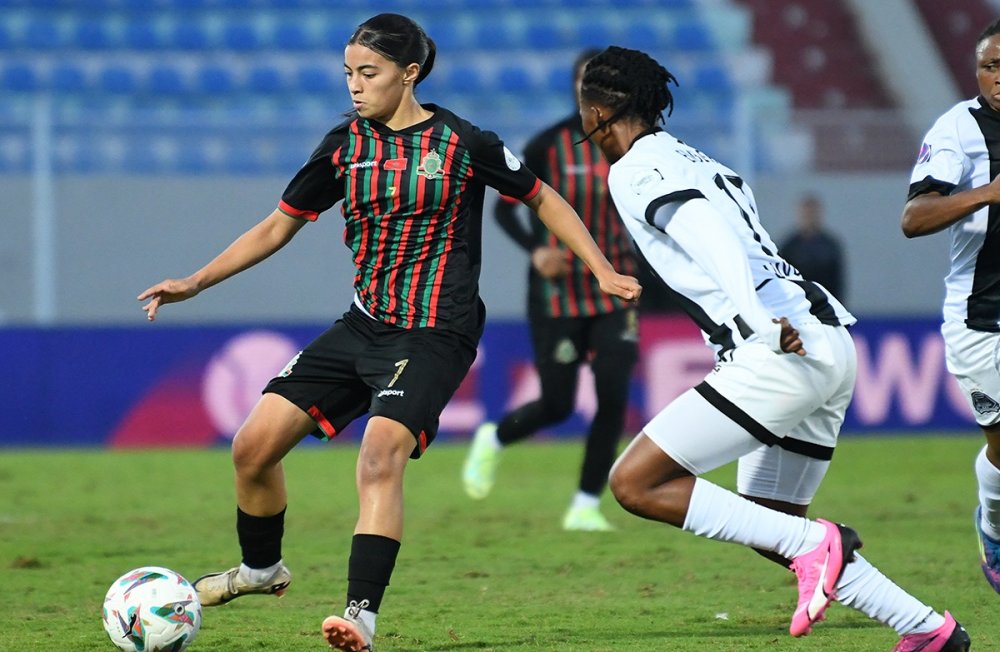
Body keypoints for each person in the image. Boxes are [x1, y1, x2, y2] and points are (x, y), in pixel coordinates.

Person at [137, 15, 640, 652]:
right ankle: (262, 569)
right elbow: (276, 226)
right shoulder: (344, 144)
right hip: (364, 324)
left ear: (409, 74)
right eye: (348, 73)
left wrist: (601, 269)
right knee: (251, 448)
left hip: (437, 332)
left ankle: (361, 616)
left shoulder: (462, 142)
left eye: (367, 73)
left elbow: (542, 198)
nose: (354, 86)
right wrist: (196, 281)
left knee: (379, 457)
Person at [578, 45, 969, 651]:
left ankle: (820, 544)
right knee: (771, 524)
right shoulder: (691, 155)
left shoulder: (635, 168)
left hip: (776, 349)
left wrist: (756, 323)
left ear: (598, 110)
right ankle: (925, 628)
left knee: (635, 484)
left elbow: (707, 232)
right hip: (825, 344)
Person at [461, 49, 639, 531]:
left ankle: (585, 504)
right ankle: (494, 438)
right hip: (558, 294)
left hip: (615, 287)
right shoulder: (547, 145)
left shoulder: (635, 145)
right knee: (559, 403)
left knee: (613, 396)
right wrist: (535, 251)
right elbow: (503, 209)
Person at [902, 16, 1000, 600]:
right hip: (983, 317)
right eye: (992, 66)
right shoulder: (958, 130)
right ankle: (993, 522)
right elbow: (913, 219)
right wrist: (989, 192)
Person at [779, 193, 846, 301]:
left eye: (812, 213)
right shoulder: (789, 247)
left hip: (825, 304)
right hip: (797, 305)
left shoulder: (830, 245)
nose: (809, 218)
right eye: (806, 214)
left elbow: (837, 281)